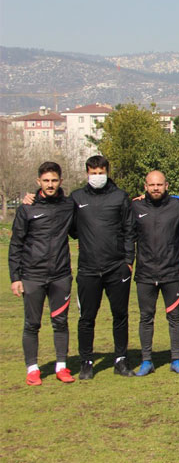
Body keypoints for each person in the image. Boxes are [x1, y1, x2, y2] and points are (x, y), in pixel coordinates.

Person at [9, 162, 76, 385]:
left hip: (60, 275)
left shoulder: (68, 206)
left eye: (54, 180)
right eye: (46, 181)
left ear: (60, 181)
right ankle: (33, 369)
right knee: (32, 324)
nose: (50, 184)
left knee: (60, 322)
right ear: (38, 181)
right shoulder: (27, 208)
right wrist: (15, 277)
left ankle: (61, 367)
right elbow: (16, 244)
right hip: (32, 275)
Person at [73, 155, 137, 378]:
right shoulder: (77, 197)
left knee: (120, 315)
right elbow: (72, 229)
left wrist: (128, 262)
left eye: (101, 172)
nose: (97, 176)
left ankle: (120, 359)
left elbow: (130, 230)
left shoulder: (120, 197)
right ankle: (86, 362)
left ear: (107, 172)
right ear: (87, 173)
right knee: (86, 318)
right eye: (93, 172)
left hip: (116, 268)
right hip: (88, 270)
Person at [132, 171, 179, 376]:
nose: (156, 188)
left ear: (166, 185)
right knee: (146, 317)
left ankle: (176, 359)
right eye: (152, 185)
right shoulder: (136, 207)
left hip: (172, 273)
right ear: (145, 186)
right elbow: (123, 233)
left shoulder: (177, 207)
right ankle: (146, 360)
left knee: (174, 318)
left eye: (159, 184)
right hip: (145, 273)